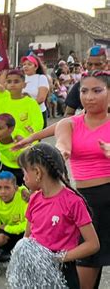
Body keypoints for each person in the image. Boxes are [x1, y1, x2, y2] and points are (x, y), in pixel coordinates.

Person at [54, 70, 110, 288]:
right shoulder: (70, 124)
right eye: (84, 91)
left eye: (97, 91)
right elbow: (61, 143)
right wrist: (61, 152)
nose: (89, 96)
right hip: (87, 205)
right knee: (83, 278)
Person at [18, 143, 100, 289]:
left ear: (37, 172)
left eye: (24, 172)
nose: (23, 177)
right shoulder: (35, 199)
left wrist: (58, 258)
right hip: (37, 272)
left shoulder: (73, 202)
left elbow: (93, 244)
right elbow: (28, 238)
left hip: (64, 273)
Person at [0, 69, 43, 138]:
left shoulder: (31, 102)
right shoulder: (1, 103)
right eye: (9, 82)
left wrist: (32, 129)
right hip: (7, 143)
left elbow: (38, 121)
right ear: (5, 84)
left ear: (24, 85)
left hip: (26, 142)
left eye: (16, 81)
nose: (12, 85)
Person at [65, 46, 108, 116]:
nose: (93, 68)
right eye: (90, 64)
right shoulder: (80, 86)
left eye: (98, 64)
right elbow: (69, 113)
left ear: (106, 64)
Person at [0, 114, 25, 185]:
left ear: (11, 129)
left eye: (0, 128)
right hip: (5, 167)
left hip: (23, 169)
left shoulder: (21, 137)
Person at [21, 55, 50, 127]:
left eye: (29, 64)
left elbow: (41, 99)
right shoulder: (20, 78)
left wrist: (27, 108)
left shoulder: (41, 78)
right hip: (21, 114)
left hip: (37, 112)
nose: (26, 66)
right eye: (24, 64)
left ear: (36, 67)